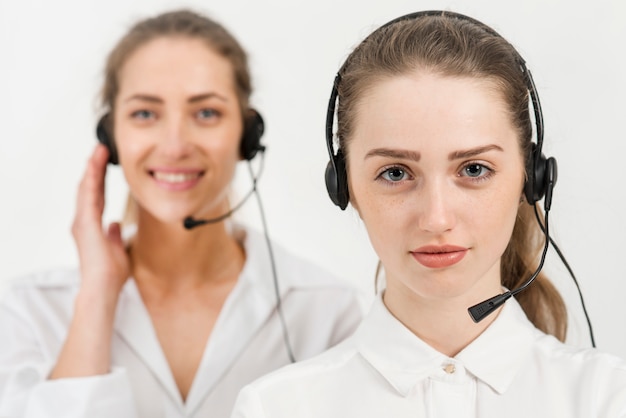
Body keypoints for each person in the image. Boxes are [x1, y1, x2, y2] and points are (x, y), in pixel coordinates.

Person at [230, 10, 626, 417]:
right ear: (345, 188)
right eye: (396, 173)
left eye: (474, 169)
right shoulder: (276, 407)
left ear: (531, 178)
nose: (436, 219)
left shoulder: (607, 398)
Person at [0, 9, 363, 418]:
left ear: (247, 136)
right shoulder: (30, 311)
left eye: (206, 113)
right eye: (145, 113)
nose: (175, 145)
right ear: (111, 136)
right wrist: (97, 299)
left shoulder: (326, 312)